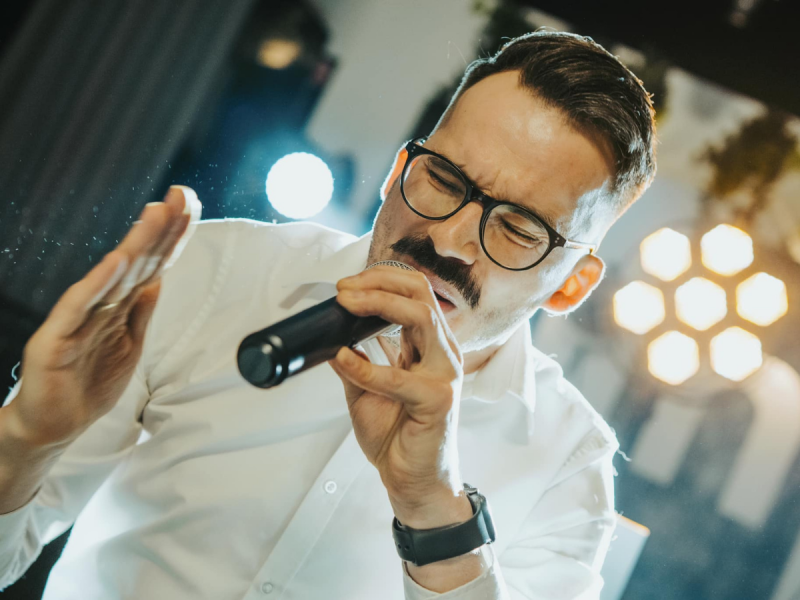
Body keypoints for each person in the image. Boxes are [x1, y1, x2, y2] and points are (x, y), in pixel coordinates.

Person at [0, 31, 655, 599]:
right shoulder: (216, 271)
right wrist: (26, 438)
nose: (448, 239)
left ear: (571, 286)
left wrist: (433, 507)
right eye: (443, 180)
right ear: (398, 171)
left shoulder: (568, 465)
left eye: (517, 228)